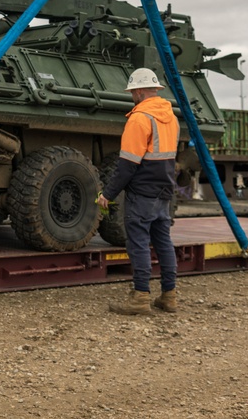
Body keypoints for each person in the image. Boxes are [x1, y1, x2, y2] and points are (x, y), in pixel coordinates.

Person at [97, 67, 179, 316]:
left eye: (133, 91)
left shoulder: (139, 118)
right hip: (164, 189)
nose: (132, 95)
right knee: (164, 243)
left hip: (142, 192)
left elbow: (127, 166)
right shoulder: (171, 118)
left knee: (139, 245)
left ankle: (140, 297)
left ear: (140, 91)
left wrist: (107, 194)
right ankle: (169, 296)